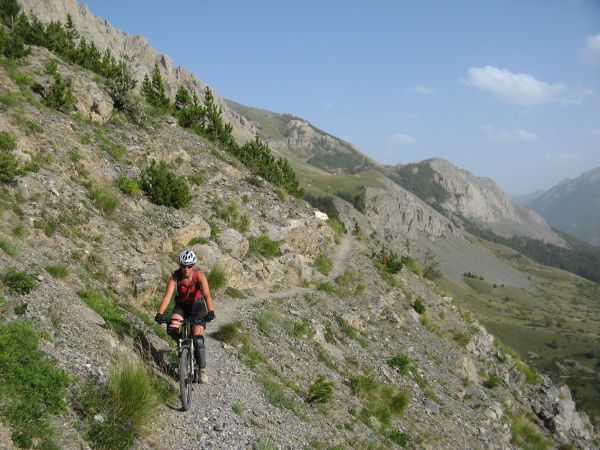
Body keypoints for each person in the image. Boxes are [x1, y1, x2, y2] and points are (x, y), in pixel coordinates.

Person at [155, 249, 215, 383]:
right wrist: (160, 313)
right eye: (183, 266)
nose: (186, 269)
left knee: (198, 338)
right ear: (180, 265)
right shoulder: (175, 277)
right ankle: (183, 344)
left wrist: (210, 311)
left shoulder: (199, 276)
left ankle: (202, 370)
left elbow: (206, 295)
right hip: (182, 306)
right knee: (171, 328)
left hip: (197, 306)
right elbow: (167, 296)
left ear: (194, 265)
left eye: (189, 266)